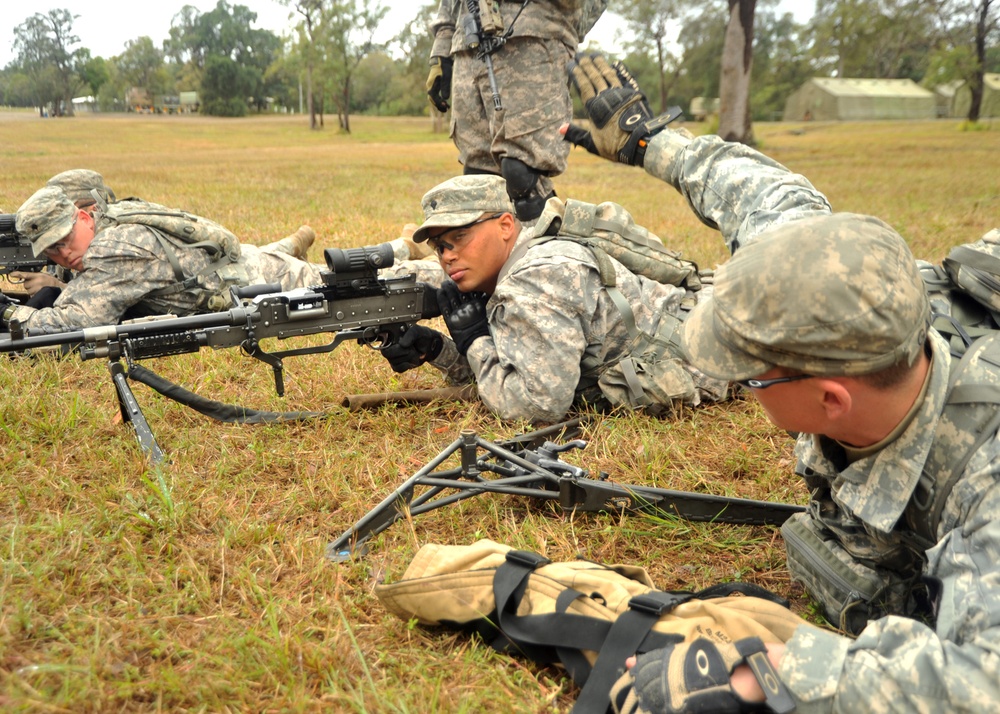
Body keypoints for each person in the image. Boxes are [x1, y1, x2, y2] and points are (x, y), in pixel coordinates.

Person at [563, 53, 1000, 712]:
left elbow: (983, 682)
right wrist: (648, 140)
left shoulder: (983, 481)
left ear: (830, 399)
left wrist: (771, 677)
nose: (740, 383)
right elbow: (758, 194)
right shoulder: (833, 280)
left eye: (752, 377)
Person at [377, 173, 731, 423]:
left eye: (460, 236)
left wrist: (475, 342)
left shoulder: (534, 279)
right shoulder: (524, 258)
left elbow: (538, 405)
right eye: (440, 246)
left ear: (504, 226)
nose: (448, 255)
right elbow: (516, 371)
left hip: (722, 345)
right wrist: (440, 350)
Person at [0, 186, 444, 335]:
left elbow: (76, 321)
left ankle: (430, 257)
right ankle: (298, 242)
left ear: (83, 216)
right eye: (52, 252)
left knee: (350, 284)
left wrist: (10, 313)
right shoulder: (109, 222)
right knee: (297, 258)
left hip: (257, 281)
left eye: (64, 241)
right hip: (242, 267)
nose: (64, 255)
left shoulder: (115, 248)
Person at [426, 0, 607, 222]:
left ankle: (556, 255)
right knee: (479, 177)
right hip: (468, 41)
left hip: (531, 35)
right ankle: (492, 255)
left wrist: (561, 22)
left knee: (521, 172)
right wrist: (441, 50)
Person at [9, 169, 318, 298]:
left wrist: (58, 288)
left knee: (335, 277)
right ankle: (289, 244)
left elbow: (105, 297)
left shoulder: (116, 241)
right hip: (234, 260)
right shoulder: (114, 222)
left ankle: (287, 250)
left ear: (85, 213)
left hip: (248, 279)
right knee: (260, 254)